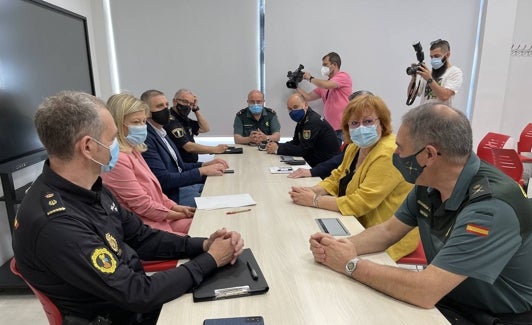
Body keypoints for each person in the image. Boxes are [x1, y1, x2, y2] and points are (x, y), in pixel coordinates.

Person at [11, 90, 244, 324]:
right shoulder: (58, 223)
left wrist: (203, 245)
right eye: (113, 138)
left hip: (132, 302)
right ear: (88, 147)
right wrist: (211, 260)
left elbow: (142, 237)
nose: (118, 145)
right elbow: (137, 294)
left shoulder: (91, 188)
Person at [309, 103, 532, 324]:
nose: (395, 154)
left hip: (497, 316)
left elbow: (425, 290)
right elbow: (388, 231)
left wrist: (351, 264)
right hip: (450, 299)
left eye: (400, 148)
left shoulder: (490, 207)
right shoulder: (429, 183)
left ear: (429, 154)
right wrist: (339, 247)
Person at [290, 94, 418, 261]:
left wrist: (314, 200)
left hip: (385, 235)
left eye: (368, 122)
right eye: (354, 123)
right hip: (354, 221)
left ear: (382, 122)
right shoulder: (355, 147)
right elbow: (336, 177)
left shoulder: (388, 152)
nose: (361, 128)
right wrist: (309, 191)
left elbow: (361, 202)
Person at [101, 93, 193, 235]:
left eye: (144, 122)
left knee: (212, 227)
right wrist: (177, 214)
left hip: (160, 220)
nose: (142, 127)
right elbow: (143, 205)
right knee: (209, 242)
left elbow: (156, 194)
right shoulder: (118, 160)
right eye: (136, 122)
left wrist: (176, 208)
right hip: (145, 230)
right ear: (117, 124)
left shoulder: (133, 150)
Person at [140, 89, 229, 207]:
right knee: (220, 204)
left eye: (166, 105)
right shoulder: (147, 138)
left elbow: (180, 166)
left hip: (183, 184)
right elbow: (164, 179)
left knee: (225, 189)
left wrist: (205, 165)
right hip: (173, 195)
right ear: (146, 111)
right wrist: (201, 171)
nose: (166, 109)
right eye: (159, 106)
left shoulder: (162, 132)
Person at [288, 90, 372, 179]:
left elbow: (339, 161)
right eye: (354, 121)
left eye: (368, 121)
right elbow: (340, 166)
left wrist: (312, 172)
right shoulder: (354, 142)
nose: (360, 126)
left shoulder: (380, 147)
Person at [265, 93, 340, 167]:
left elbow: (303, 150)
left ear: (306, 105)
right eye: (290, 109)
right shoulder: (303, 120)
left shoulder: (312, 121)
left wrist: (278, 149)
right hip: (317, 161)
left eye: (295, 107)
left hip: (327, 166)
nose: (293, 112)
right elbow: (296, 142)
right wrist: (277, 145)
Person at [297, 52, 352, 145]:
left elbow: (326, 85)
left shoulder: (343, 76)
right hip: (330, 128)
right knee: (332, 155)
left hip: (342, 128)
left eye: (325, 64)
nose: (323, 68)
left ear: (334, 65)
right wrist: (296, 87)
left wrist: (310, 78)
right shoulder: (325, 85)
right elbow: (308, 97)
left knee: (344, 156)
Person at [165, 89, 228, 163]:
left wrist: (195, 109)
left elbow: (205, 128)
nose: (188, 106)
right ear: (175, 101)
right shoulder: (169, 119)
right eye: (185, 102)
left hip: (191, 164)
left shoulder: (183, 118)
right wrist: (215, 149)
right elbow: (188, 147)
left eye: (191, 104)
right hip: (181, 167)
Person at [408, 39, 463, 107]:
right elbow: (411, 96)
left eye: (437, 56)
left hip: (439, 116)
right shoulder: (429, 73)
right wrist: (414, 78)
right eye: (431, 57)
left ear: (447, 55)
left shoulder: (455, 72)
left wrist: (429, 79)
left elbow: (444, 96)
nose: (433, 59)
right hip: (423, 115)